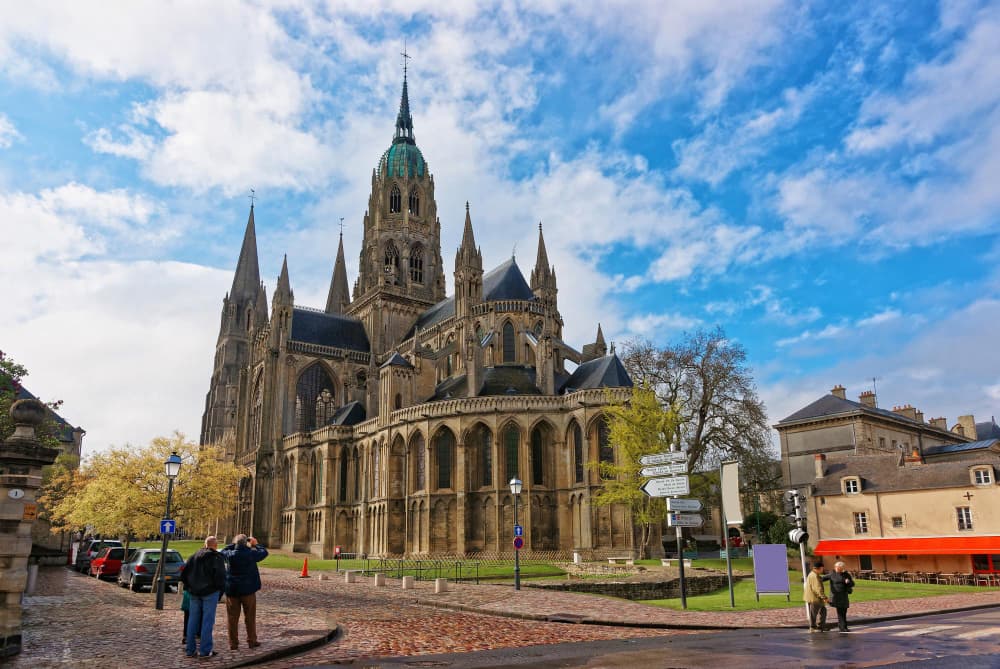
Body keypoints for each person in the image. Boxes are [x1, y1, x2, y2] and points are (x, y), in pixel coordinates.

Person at [181, 536, 227, 658]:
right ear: (216, 546)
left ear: (205, 544)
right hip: (210, 592)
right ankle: (205, 651)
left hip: (195, 593)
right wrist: (219, 592)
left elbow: (184, 575)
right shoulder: (216, 558)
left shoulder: (193, 557)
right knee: (207, 621)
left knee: (192, 620)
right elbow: (221, 577)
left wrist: (190, 587)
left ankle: (190, 650)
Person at [220, 534, 269, 650]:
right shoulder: (251, 554)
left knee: (232, 618)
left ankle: (233, 643)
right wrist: (255, 544)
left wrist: (234, 543)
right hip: (248, 590)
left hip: (233, 590)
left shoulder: (230, 555)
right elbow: (264, 552)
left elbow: (222, 551)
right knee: (250, 617)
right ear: (245, 543)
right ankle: (252, 640)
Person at [827, 561, 856, 632]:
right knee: (840, 612)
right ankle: (843, 627)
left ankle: (842, 626)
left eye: (840, 568)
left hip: (844, 596)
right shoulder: (832, 574)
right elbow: (821, 579)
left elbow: (852, 584)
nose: (838, 569)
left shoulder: (846, 574)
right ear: (835, 567)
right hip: (836, 596)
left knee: (844, 611)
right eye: (837, 568)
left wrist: (848, 581)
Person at [804, 561, 829, 632]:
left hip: (814, 597)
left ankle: (820, 626)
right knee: (813, 613)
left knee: (823, 611)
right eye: (822, 568)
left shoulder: (813, 574)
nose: (823, 569)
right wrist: (824, 597)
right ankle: (813, 627)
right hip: (814, 598)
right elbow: (818, 588)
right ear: (820, 568)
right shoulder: (815, 576)